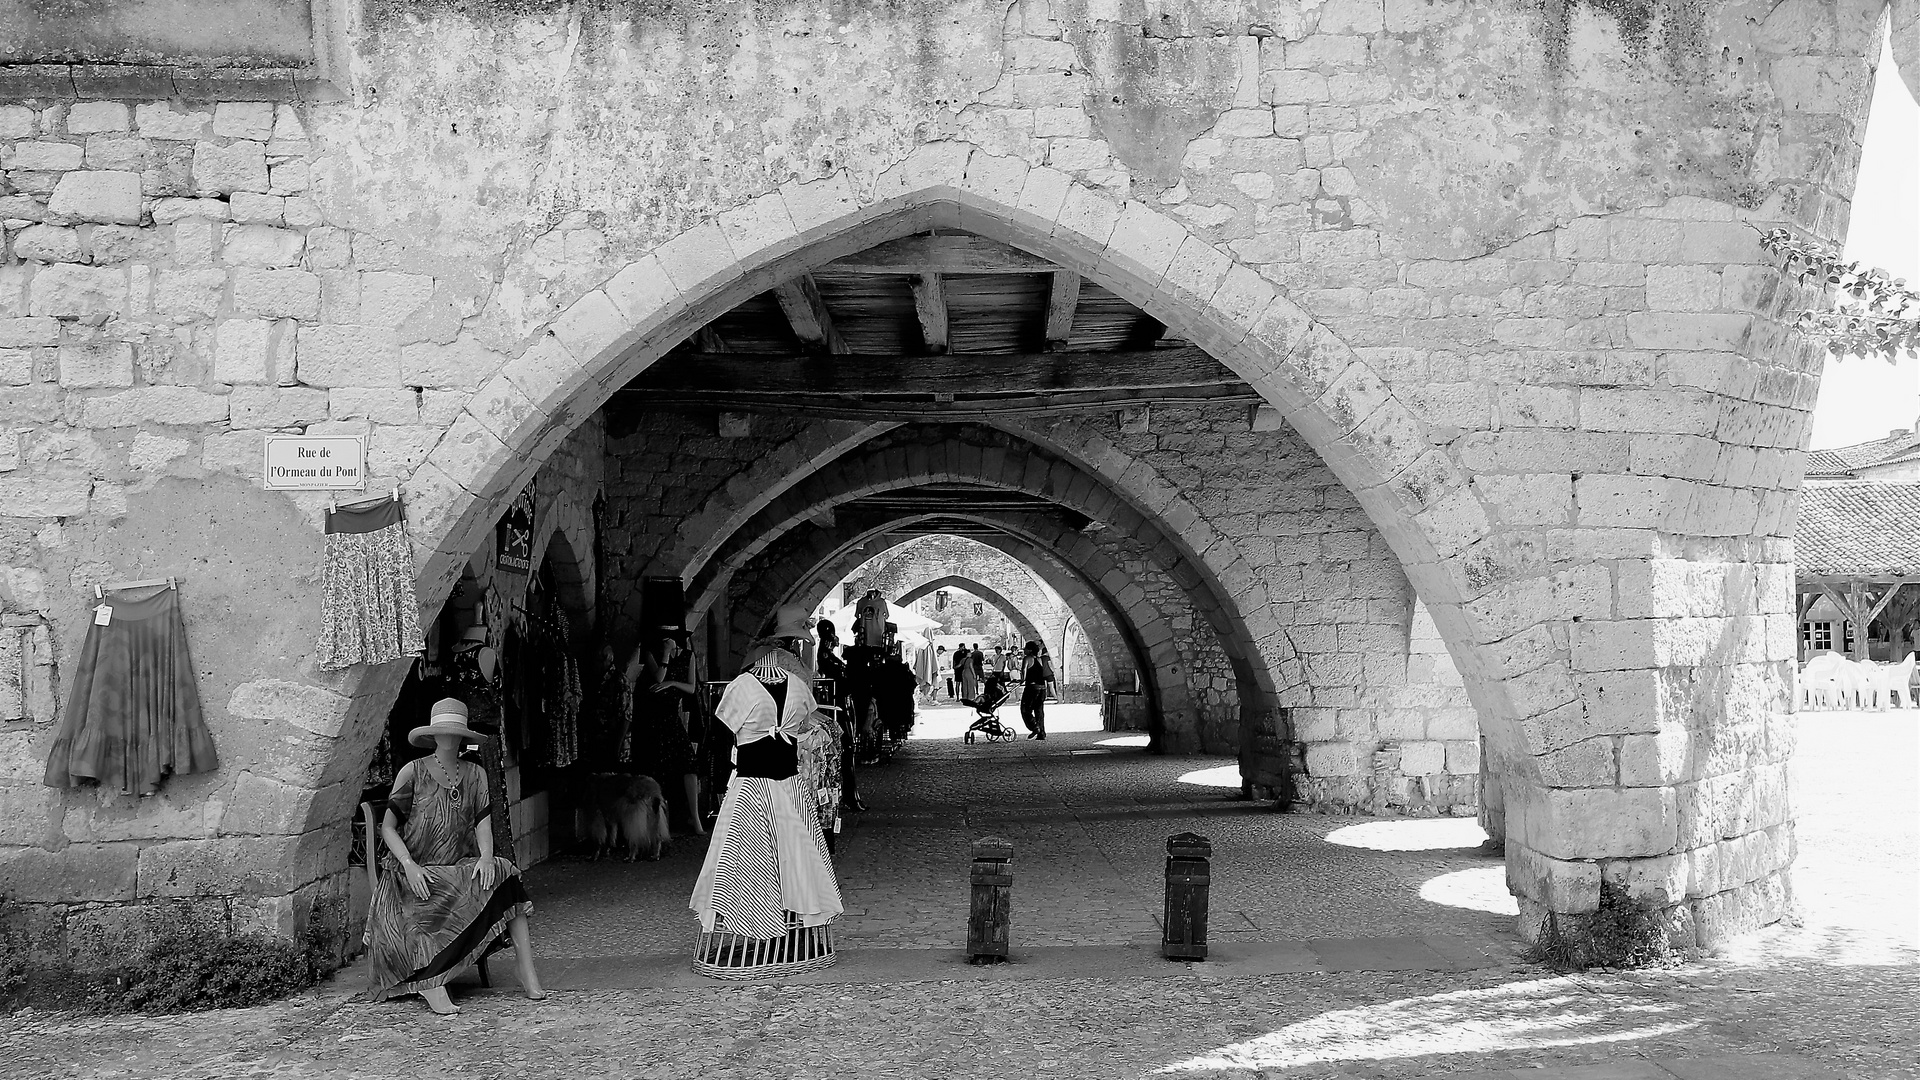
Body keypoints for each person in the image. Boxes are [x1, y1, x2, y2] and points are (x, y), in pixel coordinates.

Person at [369, 698, 547, 1014]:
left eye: (455, 732)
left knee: (505, 872)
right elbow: (388, 827)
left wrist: (487, 857)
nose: (449, 739)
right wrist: (408, 864)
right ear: (433, 735)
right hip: (414, 871)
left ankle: (526, 969)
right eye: (444, 732)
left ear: (463, 736)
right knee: (422, 897)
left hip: (454, 865)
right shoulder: (413, 772)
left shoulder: (475, 774)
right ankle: (431, 981)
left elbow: (483, 823)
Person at [637, 630, 704, 836]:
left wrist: (673, 683)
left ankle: (695, 817)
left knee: (688, 764)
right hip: (654, 717)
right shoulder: (651, 654)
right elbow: (658, 677)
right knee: (659, 768)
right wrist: (665, 654)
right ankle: (657, 822)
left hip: (672, 716)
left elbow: (692, 688)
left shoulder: (688, 655)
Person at [1019, 641, 1053, 740]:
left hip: (1032, 687)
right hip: (1042, 687)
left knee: (1025, 709)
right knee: (1039, 710)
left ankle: (1034, 727)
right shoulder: (1040, 659)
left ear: (1029, 650)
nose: (1024, 650)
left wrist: (1021, 680)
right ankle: (1041, 733)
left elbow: (1024, 672)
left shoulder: (1027, 659)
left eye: (1025, 648)